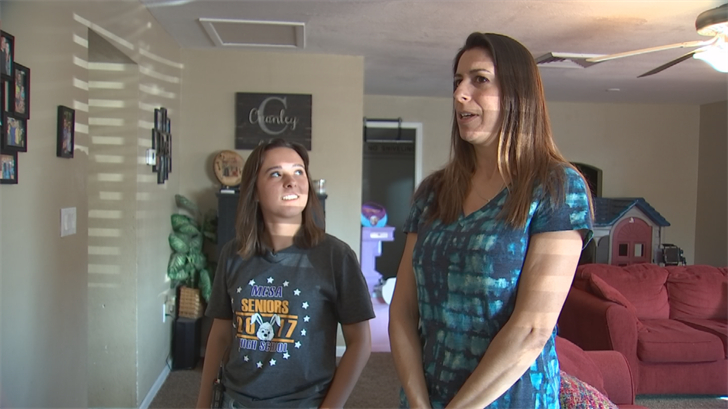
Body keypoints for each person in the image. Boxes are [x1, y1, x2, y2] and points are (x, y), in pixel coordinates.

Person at [388, 32, 594, 409]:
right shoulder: (432, 192)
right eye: (457, 81)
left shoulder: (557, 187)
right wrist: (417, 402)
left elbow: (532, 329)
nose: (459, 94)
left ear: (518, 94)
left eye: (479, 80)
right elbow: (402, 311)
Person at [197, 138, 375, 409]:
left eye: (299, 171)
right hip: (235, 400)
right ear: (254, 191)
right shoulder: (233, 253)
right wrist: (203, 403)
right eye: (276, 173)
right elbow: (220, 334)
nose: (291, 182)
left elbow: (360, 341)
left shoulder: (336, 257)